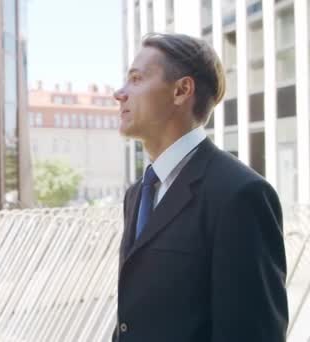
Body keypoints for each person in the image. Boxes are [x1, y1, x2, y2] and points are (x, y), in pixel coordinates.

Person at [113, 33, 288, 342]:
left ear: (181, 90)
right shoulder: (137, 194)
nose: (119, 93)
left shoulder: (240, 195)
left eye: (136, 79)